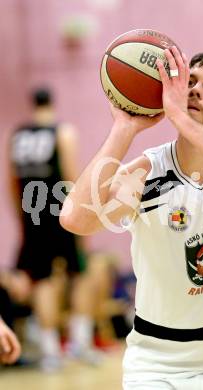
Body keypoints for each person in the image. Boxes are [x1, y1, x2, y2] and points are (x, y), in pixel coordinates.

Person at [61, 47, 203, 389]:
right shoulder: (148, 172)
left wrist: (180, 119)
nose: (194, 89)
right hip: (161, 365)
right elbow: (75, 219)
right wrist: (124, 128)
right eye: (190, 81)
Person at [8, 87, 100, 371]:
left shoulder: (17, 136)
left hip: (32, 218)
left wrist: (23, 221)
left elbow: (12, 183)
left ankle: (50, 352)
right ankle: (80, 344)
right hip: (61, 215)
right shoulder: (63, 132)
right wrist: (83, 218)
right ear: (53, 102)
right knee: (82, 274)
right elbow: (71, 179)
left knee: (42, 281)